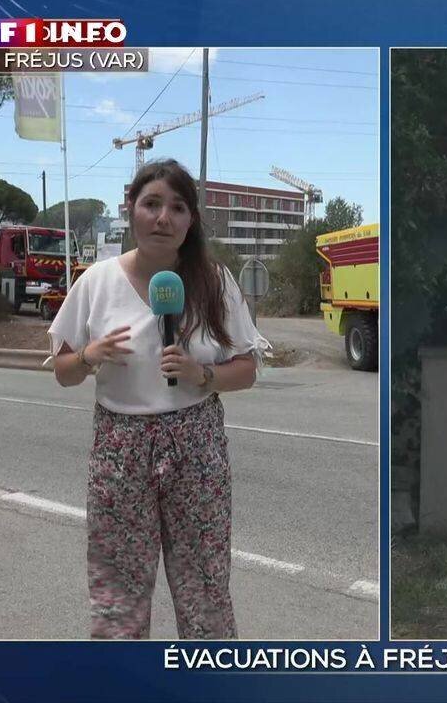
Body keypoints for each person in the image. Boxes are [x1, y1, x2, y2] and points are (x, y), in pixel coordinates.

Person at [47, 159, 264, 639]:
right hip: (119, 448)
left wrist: (202, 372)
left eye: (177, 207)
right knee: (117, 593)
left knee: (204, 586)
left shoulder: (215, 281)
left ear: (191, 221)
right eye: (151, 204)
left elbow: (247, 368)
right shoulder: (96, 283)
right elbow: (62, 373)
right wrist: (88, 355)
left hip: (197, 444)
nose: (163, 217)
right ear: (131, 210)